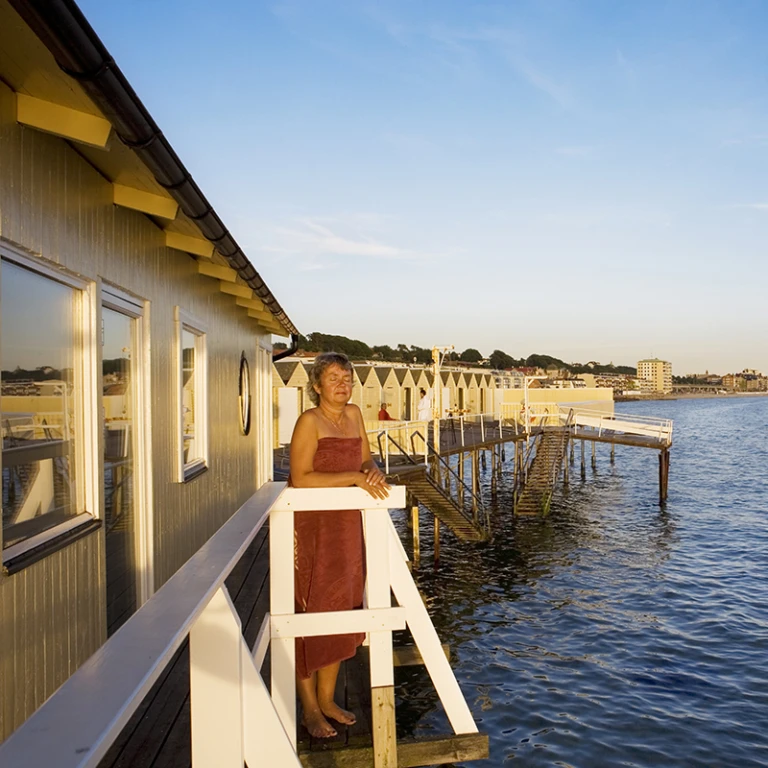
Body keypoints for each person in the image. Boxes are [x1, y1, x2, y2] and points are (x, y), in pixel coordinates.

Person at [289, 351, 390, 739]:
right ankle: (310, 709)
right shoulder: (308, 422)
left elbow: (364, 458)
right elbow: (300, 477)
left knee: (343, 602)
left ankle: (328, 698)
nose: (342, 384)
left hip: (348, 525)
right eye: (333, 378)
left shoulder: (354, 417)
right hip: (315, 527)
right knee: (311, 605)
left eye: (347, 378)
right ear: (316, 385)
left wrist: (371, 470)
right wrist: (353, 476)